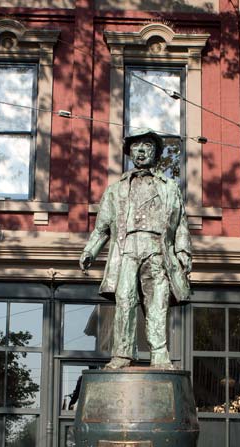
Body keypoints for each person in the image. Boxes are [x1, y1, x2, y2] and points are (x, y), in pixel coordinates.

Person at [79, 129, 192, 369]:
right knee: (125, 300)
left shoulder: (170, 188)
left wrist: (183, 253)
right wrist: (90, 250)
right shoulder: (115, 189)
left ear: (156, 151)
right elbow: (102, 227)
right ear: (130, 152)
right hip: (127, 249)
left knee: (157, 302)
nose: (141, 150)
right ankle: (122, 354)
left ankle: (159, 353)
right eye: (136, 146)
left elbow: (181, 224)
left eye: (147, 145)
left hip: (158, 250)